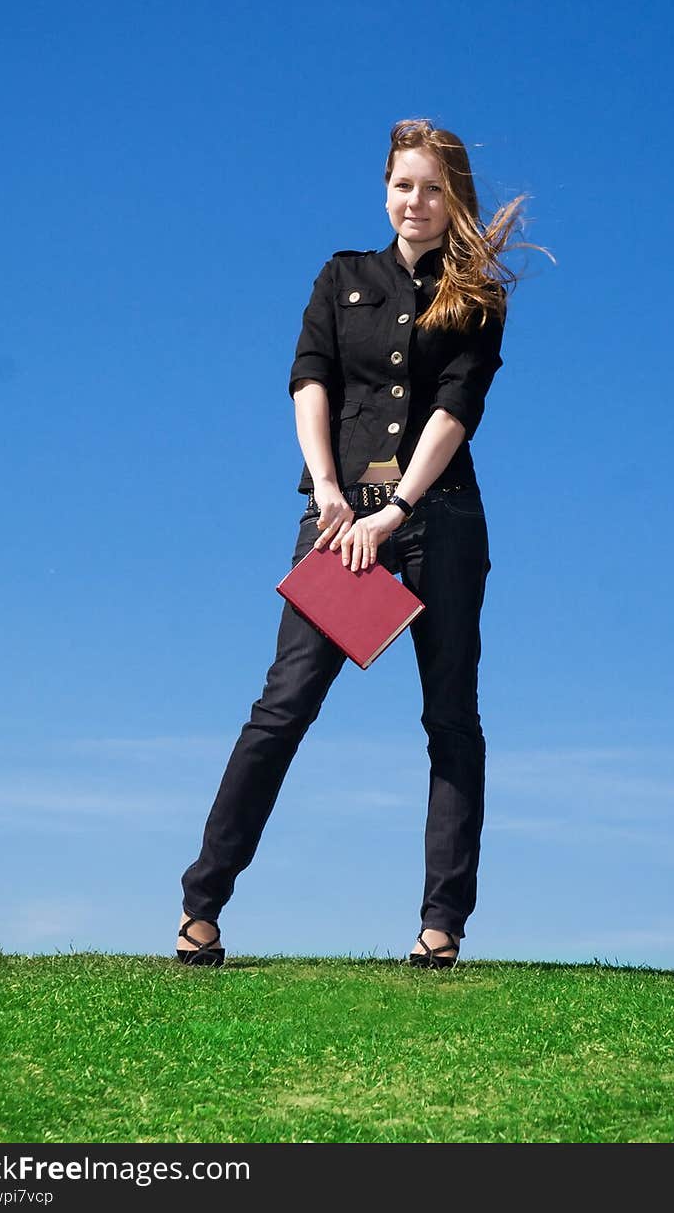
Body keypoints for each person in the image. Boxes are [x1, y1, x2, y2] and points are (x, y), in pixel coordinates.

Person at [176, 117, 540, 969]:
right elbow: (311, 378)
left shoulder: (477, 298)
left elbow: (456, 408)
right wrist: (334, 496)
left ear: (455, 199)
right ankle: (201, 907)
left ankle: (440, 929)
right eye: (403, 185)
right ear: (386, 190)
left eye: (433, 187)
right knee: (284, 705)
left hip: (436, 523)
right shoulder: (341, 276)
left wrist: (396, 511)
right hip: (336, 526)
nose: (416, 201)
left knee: (451, 719)